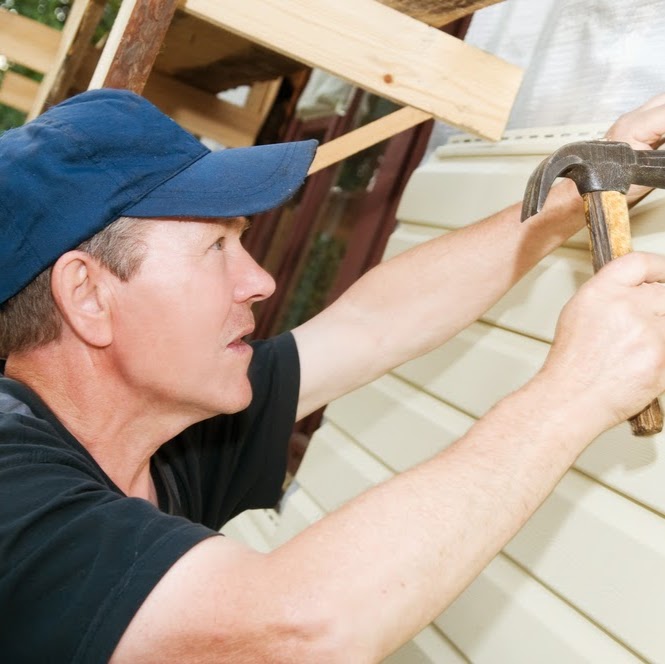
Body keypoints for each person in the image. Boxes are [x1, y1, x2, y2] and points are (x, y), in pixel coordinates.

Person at [1, 87, 665, 664]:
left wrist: (570, 198)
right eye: (216, 248)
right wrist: (576, 391)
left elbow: (371, 326)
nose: (258, 280)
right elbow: (294, 633)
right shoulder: (12, 490)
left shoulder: (159, 431)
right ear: (87, 295)